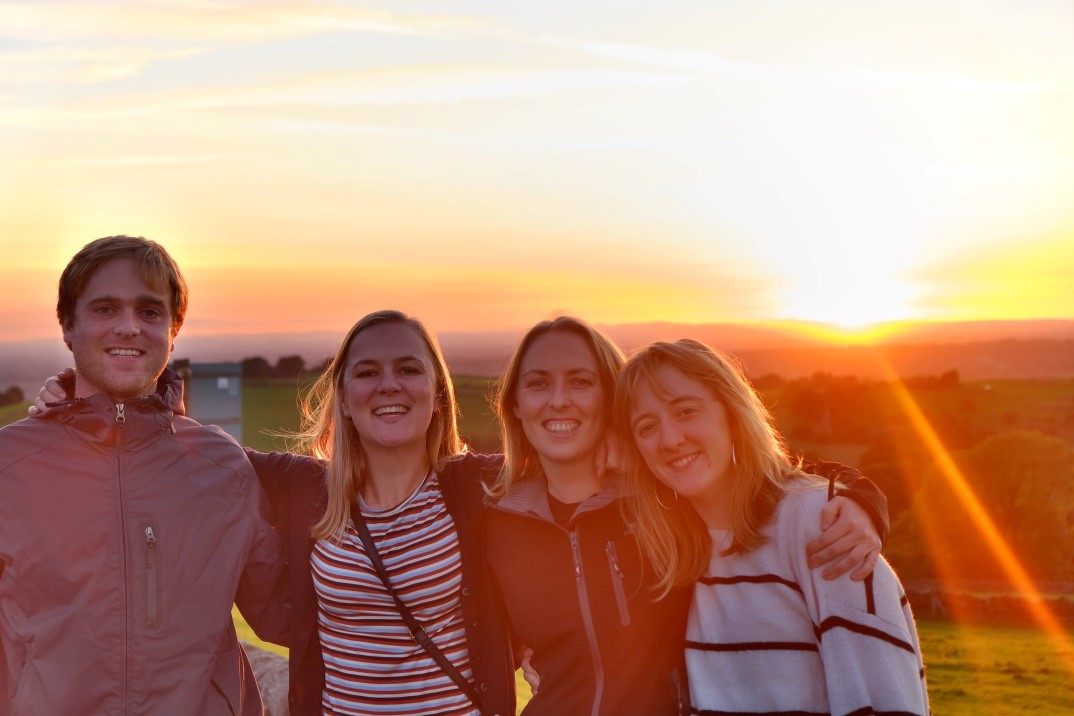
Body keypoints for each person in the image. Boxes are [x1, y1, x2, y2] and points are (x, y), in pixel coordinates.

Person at [482, 317, 890, 715]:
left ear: (611, 398)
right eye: (537, 383)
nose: (558, 400)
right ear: (514, 404)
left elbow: (761, 478)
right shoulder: (495, 514)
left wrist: (860, 497)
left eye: (581, 381)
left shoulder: (667, 501)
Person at [0, 236, 282, 715]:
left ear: (174, 330)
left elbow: (286, 612)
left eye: (150, 312)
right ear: (68, 325)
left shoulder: (223, 467)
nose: (128, 327)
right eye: (106, 309)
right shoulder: (10, 465)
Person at [614, 339, 929, 715]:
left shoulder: (824, 526)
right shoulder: (672, 560)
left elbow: (886, 704)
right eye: (646, 427)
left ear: (731, 412)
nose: (670, 439)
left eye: (686, 411)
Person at [242, 310, 516, 716]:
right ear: (345, 400)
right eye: (368, 373)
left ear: (438, 393)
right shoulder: (307, 488)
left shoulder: (478, 485)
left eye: (408, 369)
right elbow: (204, 459)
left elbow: (570, 461)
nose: (389, 385)